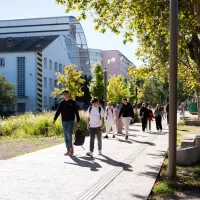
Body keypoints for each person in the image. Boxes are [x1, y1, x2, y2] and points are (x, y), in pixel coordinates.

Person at [53, 90, 80, 156]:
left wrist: (78, 121)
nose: (65, 95)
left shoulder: (72, 102)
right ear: (63, 95)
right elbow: (58, 111)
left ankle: (71, 149)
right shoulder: (61, 103)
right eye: (64, 94)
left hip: (71, 120)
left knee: (69, 133)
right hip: (64, 121)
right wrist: (54, 119)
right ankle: (68, 149)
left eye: (66, 94)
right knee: (65, 135)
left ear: (68, 94)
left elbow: (76, 112)